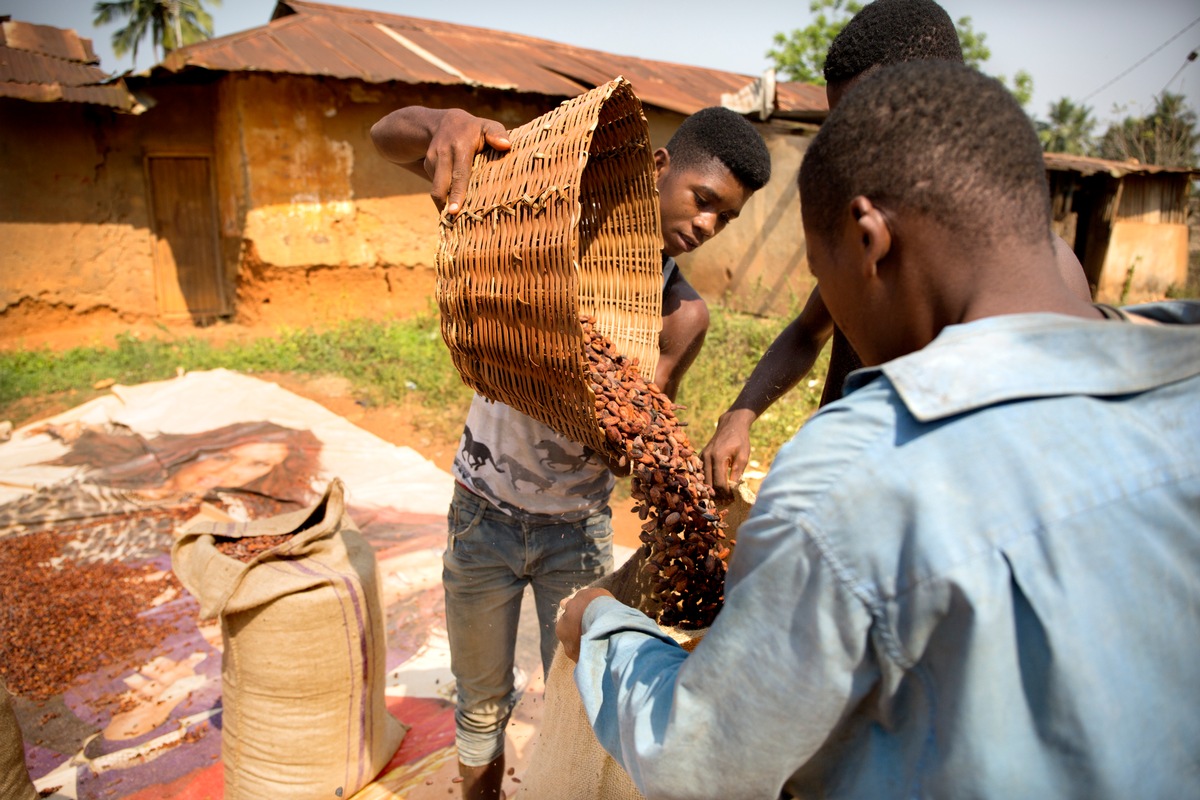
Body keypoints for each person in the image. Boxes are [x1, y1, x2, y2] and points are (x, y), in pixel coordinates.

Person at [557, 60, 1200, 799]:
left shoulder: (853, 478)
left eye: (825, 275)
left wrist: (604, 628)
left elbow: (700, 765)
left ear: (869, 241)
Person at [371, 102, 771, 798]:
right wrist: (443, 123)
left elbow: (639, 420)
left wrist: (647, 451)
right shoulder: (549, 225)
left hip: (577, 534)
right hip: (482, 514)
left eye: (725, 218)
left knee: (581, 696)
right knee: (481, 701)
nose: (707, 225)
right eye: (703, 200)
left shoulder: (682, 315)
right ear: (657, 168)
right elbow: (387, 137)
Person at [700, 0, 1094, 495]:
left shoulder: (1042, 283)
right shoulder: (867, 244)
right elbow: (807, 331)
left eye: (866, 123)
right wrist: (740, 414)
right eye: (840, 127)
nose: (850, 147)